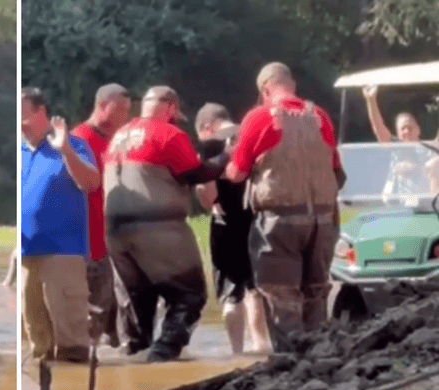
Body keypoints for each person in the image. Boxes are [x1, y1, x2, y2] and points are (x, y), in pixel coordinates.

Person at [103, 85, 231, 362]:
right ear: (170, 108)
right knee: (190, 294)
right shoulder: (169, 134)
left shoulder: (119, 136)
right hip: (156, 227)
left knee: (138, 300)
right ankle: (163, 358)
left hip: (114, 232)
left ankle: (133, 360)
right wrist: (228, 155)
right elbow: (197, 173)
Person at [225, 62, 347, 353]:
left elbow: (237, 173)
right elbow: (336, 170)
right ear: (291, 85)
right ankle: (320, 356)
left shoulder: (257, 118)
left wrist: (229, 161)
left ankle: (292, 363)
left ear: (265, 90)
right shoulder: (319, 116)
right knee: (316, 293)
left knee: (281, 295)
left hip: (278, 221)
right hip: (322, 220)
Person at [21, 86, 100, 364]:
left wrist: (65, 150)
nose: (19, 125)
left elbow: (91, 183)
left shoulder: (72, 144)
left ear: (41, 112)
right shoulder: (18, 150)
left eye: (23, 116)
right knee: (38, 340)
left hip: (62, 252)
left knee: (71, 340)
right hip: (26, 253)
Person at [193, 103, 270, 354]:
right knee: (254, 289)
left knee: (231, 293)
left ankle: (236, 353)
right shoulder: (244, 140)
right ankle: (261, 346)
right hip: (252, 219)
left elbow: (208, 198)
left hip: (224, 223)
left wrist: (211, 199)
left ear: (206, 127)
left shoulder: (206, 152)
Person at [71, 83, 132, 349]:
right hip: (86, 244)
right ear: (102, 106)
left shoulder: (115, 141)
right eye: (119, 110)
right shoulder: (78, 140)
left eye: (127, 112)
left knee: (115, 321)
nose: (124, 118)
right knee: (89, 318)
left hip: (112, 244)